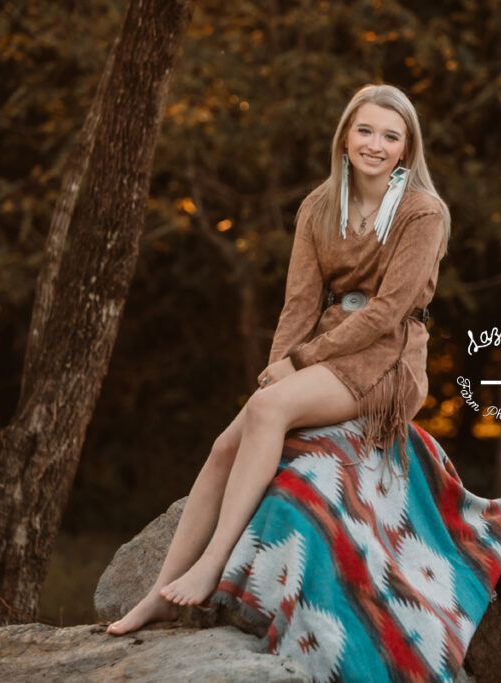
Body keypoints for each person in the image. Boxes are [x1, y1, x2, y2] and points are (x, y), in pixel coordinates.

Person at [106, 83, 450, 636]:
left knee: (267, 415)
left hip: (386, 358)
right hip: (326, 349)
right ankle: (157, 595)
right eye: (365, 130)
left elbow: (388, 313)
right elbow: (299, 304)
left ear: (407, 149)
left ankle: (213, 565)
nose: (375, 144)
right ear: (344, 136)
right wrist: (275, 371)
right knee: (226, 445)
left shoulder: (422, 212)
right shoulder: (318, 205)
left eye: (391, 136)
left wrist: (301, 361)